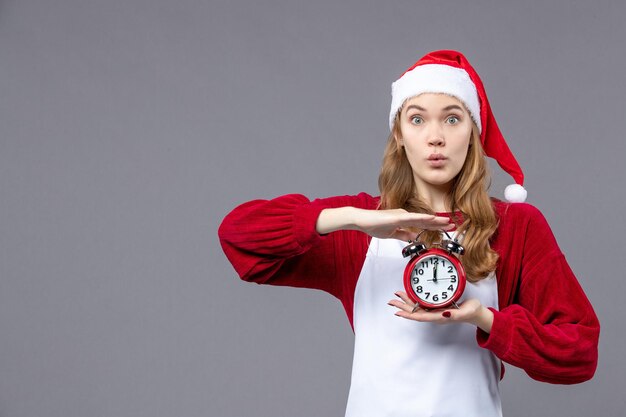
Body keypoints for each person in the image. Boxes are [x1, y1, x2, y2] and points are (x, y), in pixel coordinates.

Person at [218, 50, 599, 417]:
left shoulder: (515, 226)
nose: (436, 138)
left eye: (452, 119)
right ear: (399, 134)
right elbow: (238, 236)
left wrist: (485, 319)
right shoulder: (360, 228)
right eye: (417, 119)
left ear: (473, 132)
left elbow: (579, 352)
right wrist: (352, 219)